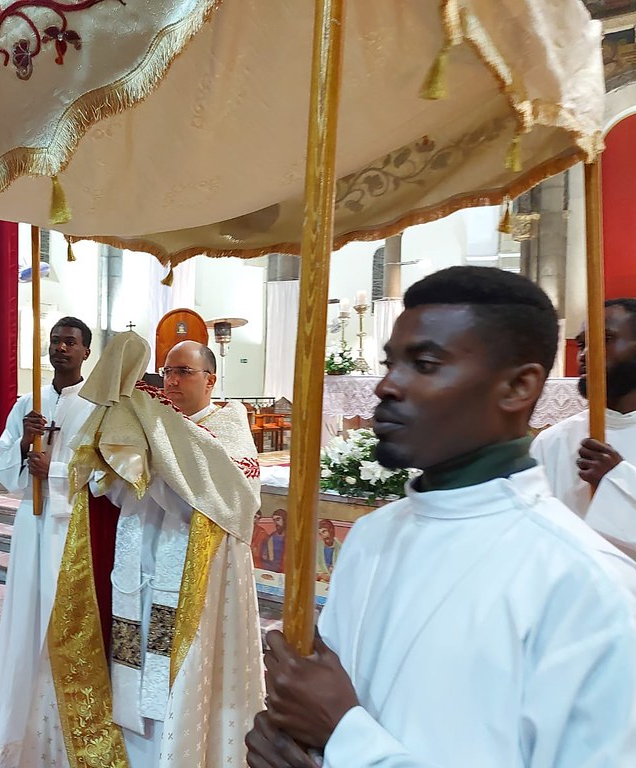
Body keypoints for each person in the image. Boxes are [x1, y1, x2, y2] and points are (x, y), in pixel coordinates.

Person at [246, 266, 636, 767]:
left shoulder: (588, 590)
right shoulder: (372, 535)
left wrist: (347, 739)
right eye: (390, 364)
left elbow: (341, 726)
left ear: (518, 387)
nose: (386, 386)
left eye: (425, 363)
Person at [17, 335, 264, 767]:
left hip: (190, 578)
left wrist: (157, 435)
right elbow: (108, 492)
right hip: (138, 565)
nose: (171, 381)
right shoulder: (149, 422)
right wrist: (112, 460)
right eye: (167, 371)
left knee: (173, 675)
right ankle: (128, 749)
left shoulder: (228, 425)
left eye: (183, 372)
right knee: (130, 658)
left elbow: (231, 493)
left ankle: (173, 752)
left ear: (211, 380)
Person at [0, 317, 96, 768]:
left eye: (71, 342)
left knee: (62, 622)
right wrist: (25, 443)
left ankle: (63, 727)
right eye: (55, 340)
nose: (60, 347)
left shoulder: (95, 405)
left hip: (70, 529)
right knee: (26, 621)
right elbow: (7, 474)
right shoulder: (27, 403)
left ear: (86, 351)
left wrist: (59, 472)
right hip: (31, 527)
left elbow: (105, 475)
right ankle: (20, 725)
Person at [531, 299, 636, 558]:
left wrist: (615, 479)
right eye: (581, 344)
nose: (585, 354)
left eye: (606, 339)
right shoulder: (552, 441)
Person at [315, 518, 341, 583]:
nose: (323, 536)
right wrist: (320, 576)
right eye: (320, 534)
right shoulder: (317, 548)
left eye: (324, 532)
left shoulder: (342, 549)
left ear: (332, 530)